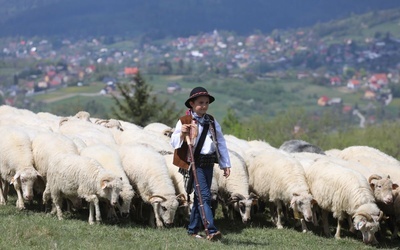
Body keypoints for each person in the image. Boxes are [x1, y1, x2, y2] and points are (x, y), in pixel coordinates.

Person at [170, 86, 231, 241]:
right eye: (200, 103)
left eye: (206, 103)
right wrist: (183, 133)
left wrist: (225, 163)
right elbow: (174, 142)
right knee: (204, 195)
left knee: (200, 197)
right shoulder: (184, 121)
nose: (203, 106)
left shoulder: (211, 120)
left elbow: (220, 142)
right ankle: (211, 230)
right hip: (194, 163)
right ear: (192, 103)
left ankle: (192, 230)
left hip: (208, 162)